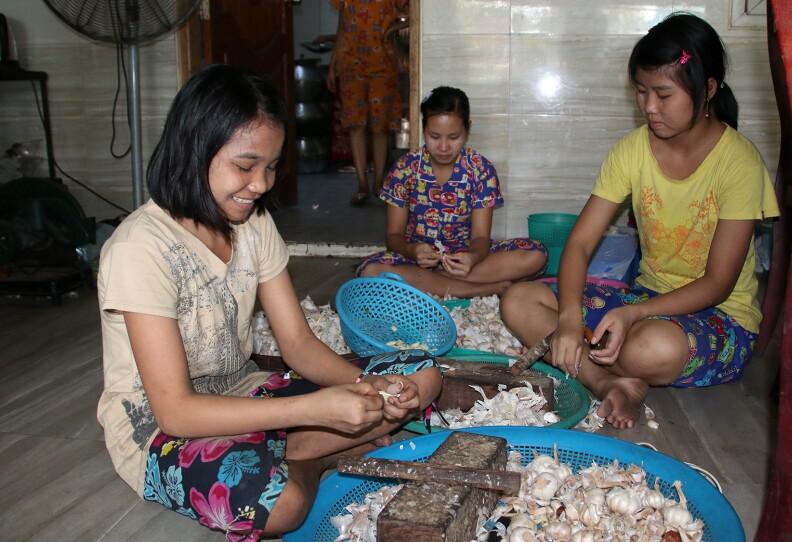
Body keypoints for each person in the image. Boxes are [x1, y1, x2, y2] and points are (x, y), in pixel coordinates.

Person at [96, 64, 442, 541]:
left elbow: (297, 343)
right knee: (282, 504)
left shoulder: (252, 223)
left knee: (420, 374)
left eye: (272, 166)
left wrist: (368, 384)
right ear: (194, 149)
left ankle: (303, 448)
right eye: (245, 166)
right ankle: (317, 454)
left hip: (245, 390)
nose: (260, 185)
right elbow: (176, 411)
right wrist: (315, 410)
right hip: (163, 431)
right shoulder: (140, 248)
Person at [500, 13, 780, 430]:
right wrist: (571, 320)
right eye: (642, 92)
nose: (650, 107)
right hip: (644, 299)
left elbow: (718, 283)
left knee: (649, 348)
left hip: (720, 317)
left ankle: (611, 367)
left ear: (708, 88)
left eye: (663, 94)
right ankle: (608, 382)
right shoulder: (631, 151)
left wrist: (632, 317)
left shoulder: (738, 163)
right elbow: (578, 245)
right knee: (519, 300)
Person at [356, 86, 549, 298]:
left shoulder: (480, 170)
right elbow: (393, 236)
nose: (444, 147)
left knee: (536, 254)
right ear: (423, 130)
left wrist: (473, 258)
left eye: (454, 137)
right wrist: (412, 251)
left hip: (466, 262)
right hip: (416, 260)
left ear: (468, 129)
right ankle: (489, 289)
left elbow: (481, 237)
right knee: (371, 270)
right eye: (434, 136)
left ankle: (435, 283)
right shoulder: (406, 168)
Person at [327, 0, 406, 206]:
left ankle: (379, 182)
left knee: (380, 125)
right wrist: (333, 62)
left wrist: (395, 29)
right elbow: (342, 26)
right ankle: (362, 183)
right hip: (350, 61)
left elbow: (416, 15)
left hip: (383, 61)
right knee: (355, 122)